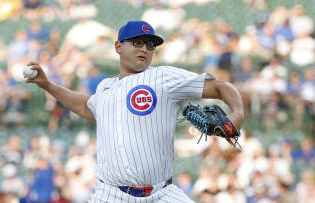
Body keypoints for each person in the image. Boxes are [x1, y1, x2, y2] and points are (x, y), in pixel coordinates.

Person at [25, 20, 244, 202]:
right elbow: (85, 106)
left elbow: (220, 87)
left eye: (150, 46)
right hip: (110, 194)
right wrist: (48, 85)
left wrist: (238, 114)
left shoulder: (163, 77)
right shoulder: (106, 87)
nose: (144, 49)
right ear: (118, 46)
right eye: (137, 43)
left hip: (161, 194)